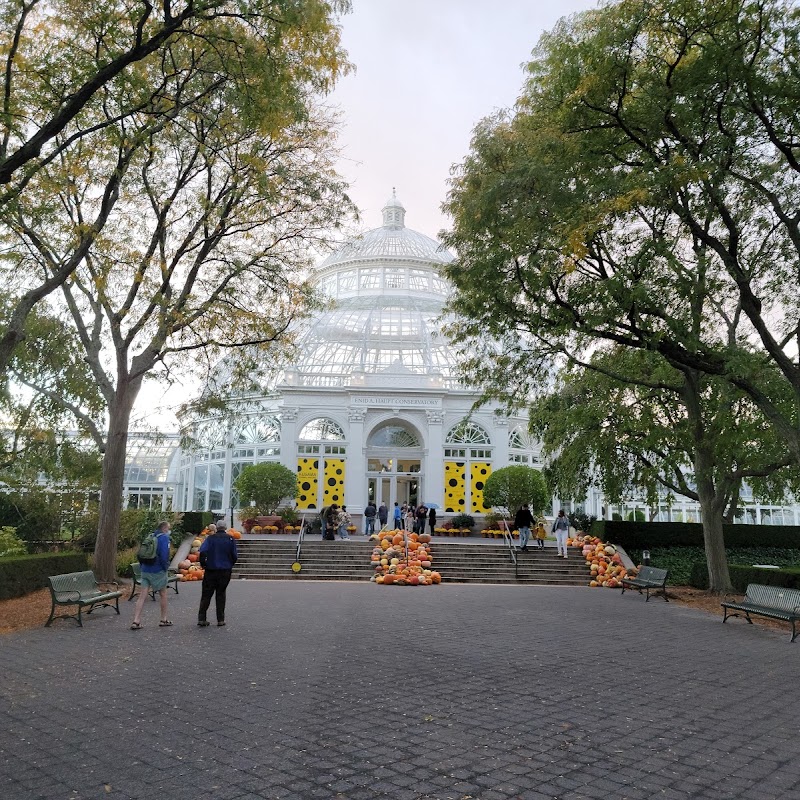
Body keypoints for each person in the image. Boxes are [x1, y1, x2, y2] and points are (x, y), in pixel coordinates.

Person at [130, 520, 172, 630]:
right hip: (158, 570)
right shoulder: (164, 538)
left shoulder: (150, 536)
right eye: (168, 528)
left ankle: (136, 620)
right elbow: (164, 555)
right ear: (164, 529)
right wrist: (165, 568)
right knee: (163, 594)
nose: (169, 530)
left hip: (145, 569)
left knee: (142, 595)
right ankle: (163, 619)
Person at [197, 522, 238, 627]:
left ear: (216, 527)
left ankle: (202, 618)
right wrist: (230, 564)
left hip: (211, 569)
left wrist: (204, 564)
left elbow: (203, 552)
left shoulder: (210, 539)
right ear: (225, 528)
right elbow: (234, 556)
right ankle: (220, 619)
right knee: (221, 593)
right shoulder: (230, 539)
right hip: (225, 570)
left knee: (206, 594)